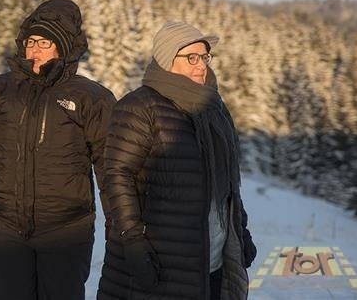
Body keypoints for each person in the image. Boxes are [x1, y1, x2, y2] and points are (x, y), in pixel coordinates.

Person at [0, 0, 116, 300]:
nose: (34, 50)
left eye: (44, 42)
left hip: (66, 232)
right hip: (4, 229)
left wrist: (121, 225)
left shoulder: (90, 98)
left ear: (63, 48)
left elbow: (111, 165)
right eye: (31, 41)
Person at [97, 22, 257, 300]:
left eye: (205, 57)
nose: (201, 65)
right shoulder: (139, 107)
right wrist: (133, 240)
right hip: (160, 258)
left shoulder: (214, 109)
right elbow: (117, 177)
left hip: (212, 258)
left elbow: (227, 182)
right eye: (191, 58)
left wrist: (239, 229)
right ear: (167, 59)